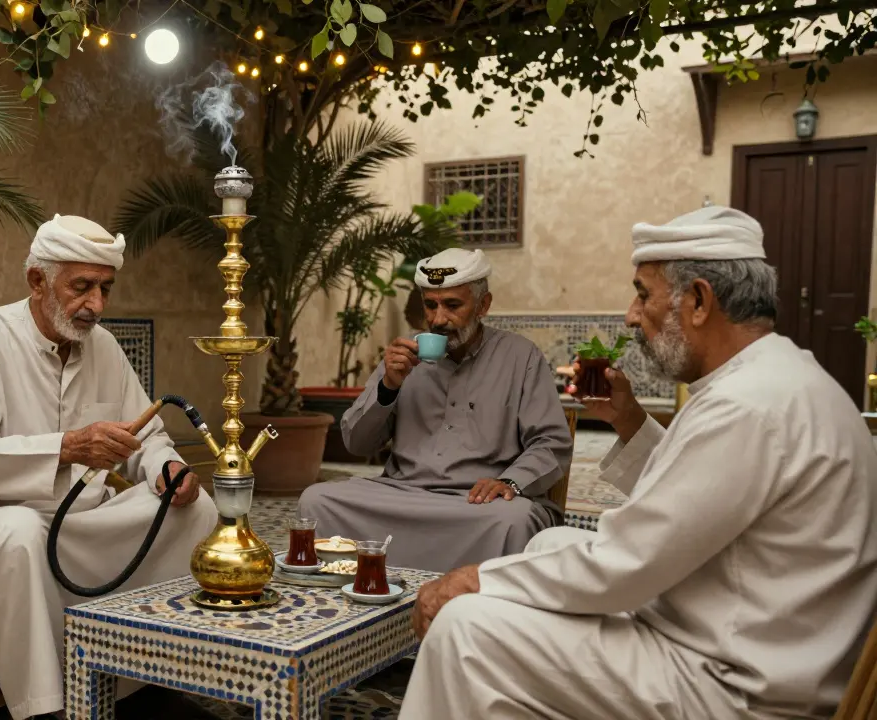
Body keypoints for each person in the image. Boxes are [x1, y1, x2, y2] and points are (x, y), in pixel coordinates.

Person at [400, 206, 877, 720]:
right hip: (744, 630)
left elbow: (626, 563)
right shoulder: (774, 378)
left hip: (735, 685)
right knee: (550, 541)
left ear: (698, 300)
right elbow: (693, 500)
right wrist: (628, 420)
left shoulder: (748, 406)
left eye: (644, 294)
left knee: (465, 627)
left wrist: (477, 580)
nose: (632, 314)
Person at [0, 215, 220, 720]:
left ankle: (145, 680)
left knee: (195, 510)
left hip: (75, 526)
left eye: (105, 289)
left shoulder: (104, 346)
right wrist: (67, 448)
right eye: (81, 287)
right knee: (19, 532)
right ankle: (49, 711)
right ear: (37, 281)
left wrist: (167, 469)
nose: (96, 305)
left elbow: (147, 435)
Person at [298, 248, 573, 573]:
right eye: (431, 305)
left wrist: (510, 482)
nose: (439, 319)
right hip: (401, 493)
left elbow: (551, 444)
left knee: (514, 521)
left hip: (477, 505)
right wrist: (388, 386)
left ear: (483, 305)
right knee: (317, 500)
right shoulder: (403, 356)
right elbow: (356, 444)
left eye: (453, 305)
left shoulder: (520, 357)